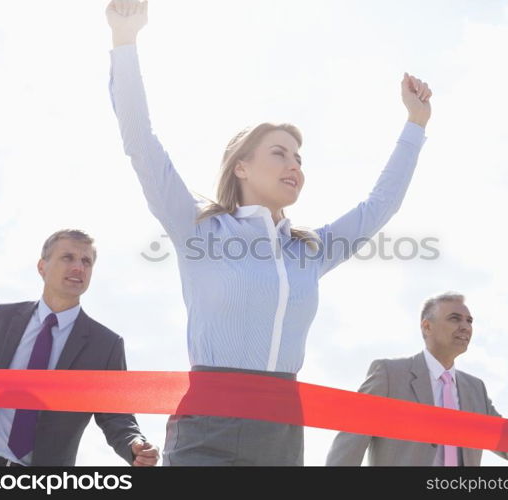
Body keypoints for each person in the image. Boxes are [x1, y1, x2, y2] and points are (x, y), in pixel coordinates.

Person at [106, 0, 431, 466]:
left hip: (281, 430)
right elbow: (141, 143)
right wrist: (124, 41)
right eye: (280, 153)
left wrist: (415, 125)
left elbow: (380, 206)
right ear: (241, 166)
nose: (294, 165)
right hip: (207, 424)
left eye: (299, 158)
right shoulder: (199, 228)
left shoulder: (310, 251)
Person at [0, 229, 159, 467]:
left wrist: (135, 444)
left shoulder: (105, 345)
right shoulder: (0, 317)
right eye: (68, 257)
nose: (79, 267)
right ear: (42, 267)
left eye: (86, 261)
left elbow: (116, 415)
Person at [326, 292, 508, 466]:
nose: (465, 327)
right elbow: (349, 444)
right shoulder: (389, 374)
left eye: (469, 321)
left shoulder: (475, 389)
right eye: (455, 319)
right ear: (427, 326)